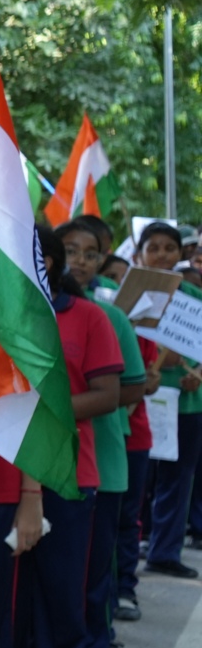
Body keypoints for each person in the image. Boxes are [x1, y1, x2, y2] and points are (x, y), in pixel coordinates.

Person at [10, 225, 121, 648]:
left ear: (45, 263)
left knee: (62, 590)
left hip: (69, 474)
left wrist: (40, 409)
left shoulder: (89, 317)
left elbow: (107, 395)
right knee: (7, 594)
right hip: (4, 473)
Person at [55, 220, 142, 648]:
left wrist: (62, 406)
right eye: (70, 250)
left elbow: (128, 387)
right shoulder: (37, 309)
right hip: (46, 467)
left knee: (93, 578)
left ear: (103, 260)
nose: (80, 261)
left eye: (91, 254)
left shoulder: (108, 318)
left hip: (100, 462)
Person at [135, 222, 202, 579]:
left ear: (180, 253)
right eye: (154, 247)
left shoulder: (192, 296)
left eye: (169, 248)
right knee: (142, 478)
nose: (162, 254)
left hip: (186, 402)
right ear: (140, 254)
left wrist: (198, 372)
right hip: (138, 400)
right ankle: (140, 539)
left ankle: (165, 550)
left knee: (178, 478)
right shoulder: (132, 293)